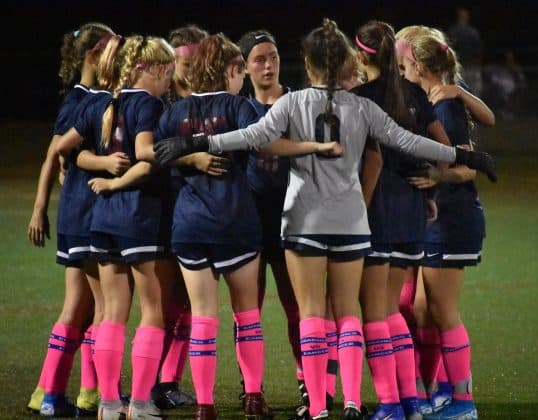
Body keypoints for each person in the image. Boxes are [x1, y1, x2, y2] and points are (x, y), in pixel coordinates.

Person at [154, 18, 496, 420]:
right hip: (351, 221)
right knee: (348, 313)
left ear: (306, 62)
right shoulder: (363, 106)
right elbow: (407, 140)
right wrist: (465, 156)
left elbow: (251, 137)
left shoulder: (291, 102)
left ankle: (316, 406)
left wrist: (196, 141)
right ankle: (351, 401)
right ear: (345, 63)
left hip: (304, 221)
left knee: (312, 313)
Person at [56, 34, 177, 420]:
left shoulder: (104, 101)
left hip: (103, 218)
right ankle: (139, 403)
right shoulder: (150, 104)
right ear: (155, 69)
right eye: (168, 73)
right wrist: (184, 152)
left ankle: (108, 403)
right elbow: (144, 153)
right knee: (153, 311)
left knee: (111, 313)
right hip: (139, 215)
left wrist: (94, 168)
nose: (169, 81)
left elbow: (68, 148)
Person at [351, 19, 457, 420]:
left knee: (375, 313)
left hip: (375, 211)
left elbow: (365, 160)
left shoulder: (359, 98)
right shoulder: (413, 94)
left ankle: (392, 404)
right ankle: (411, 401)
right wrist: (432, 183)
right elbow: (445, 151)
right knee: (391, 311)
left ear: (360, 56)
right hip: (411, 212)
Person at [25, 22, 120, 418]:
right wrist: (39, 207)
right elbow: (54, 154)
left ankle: (47, 392)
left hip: (79, 211)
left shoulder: (91, 96)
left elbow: (61, 157)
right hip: (86, 212)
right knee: (98, 307)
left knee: (82, 307)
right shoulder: (83, 100)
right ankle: (88, 392)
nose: (119, 52)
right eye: (113, 46)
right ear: (94, 56)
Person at [398, 28, 487, 420]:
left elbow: (466, 168)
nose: (401, 72)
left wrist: (436, 176)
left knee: (444, 312)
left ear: (417, 65)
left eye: (403, 65)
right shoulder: (431, 99)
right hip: (438, 219)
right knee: (423, 309)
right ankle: (444, 391)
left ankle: (464, 402)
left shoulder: (446, 104)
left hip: (452, 218)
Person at [237, 29, 306, 403]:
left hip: (291, 220)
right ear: (245, 66)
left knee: (297, 307)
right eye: (259, 59)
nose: (268, 65)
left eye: (274, 57)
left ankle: (307, 380)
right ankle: (251, 389)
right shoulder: (238, 108)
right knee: (249, 309)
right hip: (250, 222)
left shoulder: (298, 103)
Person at [149, 24, 209, 410]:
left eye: (196, 60)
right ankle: (151, 383)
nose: (191, 68)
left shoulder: (208, 102)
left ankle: (169, 381)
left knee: (187, 301)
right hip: (163, 210)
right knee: (163, 301)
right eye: (185, 62)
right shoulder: (160, 105)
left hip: (199, 212)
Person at [447, 7, 483, 96]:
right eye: (461, 15)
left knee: (475, 90)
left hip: (472, 66)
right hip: (459, 66)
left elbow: (478, 48)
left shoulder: (473, 31)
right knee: (459, 90)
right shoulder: (453, 31)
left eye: (465, 15)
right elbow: (449, 48)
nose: (463, 17)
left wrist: (478, 63)